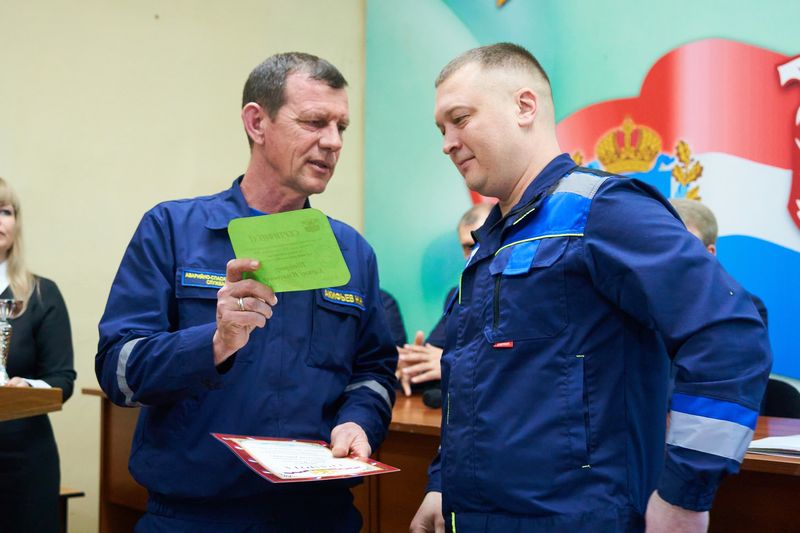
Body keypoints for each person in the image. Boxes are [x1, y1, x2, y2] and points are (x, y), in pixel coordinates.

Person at [410, 43, 771, 532]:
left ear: (524, 106)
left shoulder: (604, 210)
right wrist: (441, 484)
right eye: (441, 129)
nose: (448, 143)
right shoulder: (490, 243)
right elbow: (475, 382)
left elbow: (730, 334)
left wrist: (684, 496)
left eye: (460, 119)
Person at [96, 53, 397, 532]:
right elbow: (119, 373)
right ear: (257, 122)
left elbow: (374, 370)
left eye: (341, 126)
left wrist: (359, 421)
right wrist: (214, 343)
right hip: (194, 517)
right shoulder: (172, 229)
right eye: (314, 122)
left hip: (318, 517)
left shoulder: (352, 252)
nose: (333, 142)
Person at [0, 177, 76, 533]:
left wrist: (25, 388)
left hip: (23, 459)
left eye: (5, 211)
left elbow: (63, 379)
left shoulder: (41, 294)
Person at [397, 203, 492, 396]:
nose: (472, 254)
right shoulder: (459, 295)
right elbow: (432, 356)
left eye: (478, 243)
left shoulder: (522, 291)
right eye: (467, 247)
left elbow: (518, 365)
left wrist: (454, 363)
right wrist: (411, 366)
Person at [670, 198, 768, 326]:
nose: (673, 252)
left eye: (686, 244)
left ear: (709, 252)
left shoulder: (746, 309)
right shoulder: (645, 301)